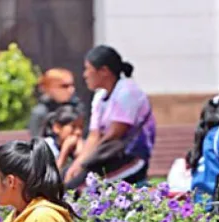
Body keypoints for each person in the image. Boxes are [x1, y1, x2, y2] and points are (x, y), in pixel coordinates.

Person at [65, 46, 156, 188]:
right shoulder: (100, 96)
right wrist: (78, 163)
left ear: (104, 71)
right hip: (103, 159)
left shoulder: (128, 92)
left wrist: (84, 164)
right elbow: (94, 135)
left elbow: (114, 135)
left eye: (88, 69)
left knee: (78, 187)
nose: (85, 75)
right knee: (64, 178)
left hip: (131, 160)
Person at [28, 68, 82, 138]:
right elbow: (37, 142)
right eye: (64, 86)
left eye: (72, 85)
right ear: (48, 88)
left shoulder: (77, 107)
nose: (71, 90)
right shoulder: (40, 112)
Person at [42, 105, 84, 172]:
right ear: (57, 128)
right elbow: (49, 178)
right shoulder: (46, 147)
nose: (78, 132)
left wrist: (81, 155)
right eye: (73, 127)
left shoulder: (80, 146)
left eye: (81, 128)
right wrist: (64, 152)